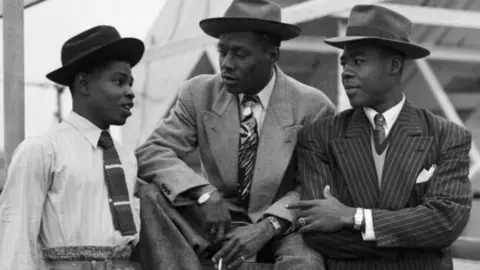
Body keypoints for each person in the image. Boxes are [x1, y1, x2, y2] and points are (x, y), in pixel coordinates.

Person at [134, 0, 335, 269]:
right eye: (223, 51)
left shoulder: (313, 106)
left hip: (281, 224)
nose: (226, 64)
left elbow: (312, 185)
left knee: (305, 263)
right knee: (151, 194)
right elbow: (152, 151)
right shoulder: (198, 93)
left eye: (240, 54)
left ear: (272, 55)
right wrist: (204, 193)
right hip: (215, 217)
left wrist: (268, 226)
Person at [287, 5, 472, 270]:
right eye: (344, 62)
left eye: (359, 61)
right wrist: (415, 244)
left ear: (395, 65)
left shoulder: (448, 136)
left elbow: (445, 223)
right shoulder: (319, 136)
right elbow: (316, 230)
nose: (346, 71)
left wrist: (352, 216)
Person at [0, 25, 145, 270]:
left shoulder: (126, 158)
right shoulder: (42, 151)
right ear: (84, 84)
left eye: (130, 83)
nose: (130, 92)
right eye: (119, 81)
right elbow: (17, 241)